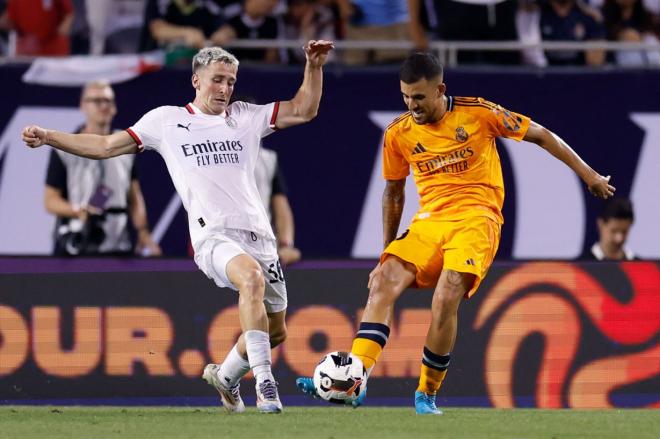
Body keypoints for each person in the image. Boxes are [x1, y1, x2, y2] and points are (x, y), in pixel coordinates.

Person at [23, 40, 334, 414]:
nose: (224, 89)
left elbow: (304, 109)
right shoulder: (166, 121)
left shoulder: (245, 117)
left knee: (276, 330)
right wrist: (49, 136)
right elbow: (105, 145)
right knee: (250, 280)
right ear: (196, 81)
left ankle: (226, 377)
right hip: (213, 235)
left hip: (259, 236)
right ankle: (266, 385)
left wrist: (313, 66)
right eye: (217, 79)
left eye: (231, 81)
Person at [296, 52, 615, 414]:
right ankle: (353, 380)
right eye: (405, 96)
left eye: (419, 97)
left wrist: (589, 175)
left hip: (477, 218)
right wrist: (385, 253)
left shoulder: (479, 113)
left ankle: (426, 393)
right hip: (430, 220)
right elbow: (393, 192)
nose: (411, 105)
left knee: (446, 296)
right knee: (383, 280)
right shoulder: (399, 133)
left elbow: (541, 135)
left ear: (440, 89)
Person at [45, 81, 161, 257]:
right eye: (97, 101)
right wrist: (78, 210)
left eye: (108, 101)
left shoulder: (126, 145)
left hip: (118, 245)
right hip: (77, 243)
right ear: (83, 105)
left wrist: (143, 232)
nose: (104, 106)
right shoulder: (65, 148)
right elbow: (50, 201)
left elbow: (134, 196)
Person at [255, 147, 302, 265]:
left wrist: (285, 245)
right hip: (222, 246)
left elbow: (281, 206)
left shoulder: (267, 159)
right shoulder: (209, 157)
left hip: (263, 249)